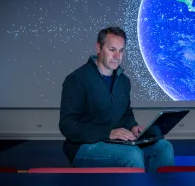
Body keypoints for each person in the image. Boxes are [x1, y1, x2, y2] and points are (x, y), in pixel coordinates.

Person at [58, 26, 175, 172]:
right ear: (98, 48)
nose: (117, 56)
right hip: (83, 147)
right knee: (133, 155)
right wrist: (108, 133)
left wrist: (133, 126)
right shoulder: (77, 80)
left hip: (115, 142)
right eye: (112, 49)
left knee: (163, 147)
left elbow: (126, 115)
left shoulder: (124, 81)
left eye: (121, 50)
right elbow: (67, 125)